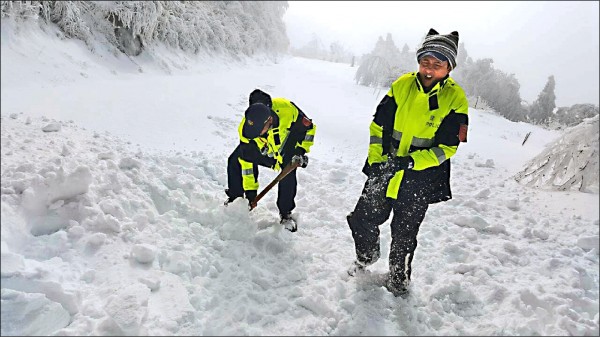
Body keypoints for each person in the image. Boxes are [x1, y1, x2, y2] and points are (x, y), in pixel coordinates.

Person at [346, 28, 469, 296]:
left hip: (419, 177)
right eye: (426, 62)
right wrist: (377, 161)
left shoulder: (455, 98)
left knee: (404, 234)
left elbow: (448, 148)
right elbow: (378, 126)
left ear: (449, 68)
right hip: (386, 167)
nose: (429, 69)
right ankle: (366, 257)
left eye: (437, 65)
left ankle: (399, 279)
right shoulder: (402, 85)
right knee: (362, 218)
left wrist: (412, 162)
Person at [225, 89, 316, 232]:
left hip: (285, 148)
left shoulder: (287, 110)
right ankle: (236, 201)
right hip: (266, 151)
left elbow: (310, 129)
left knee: (288, 171)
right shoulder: (246, 130)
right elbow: (247, 163)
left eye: (258, 132)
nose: (254, 135)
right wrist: (251, 194)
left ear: (269, 121)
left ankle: (286, 214)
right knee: (235, 160)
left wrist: (301, 150)